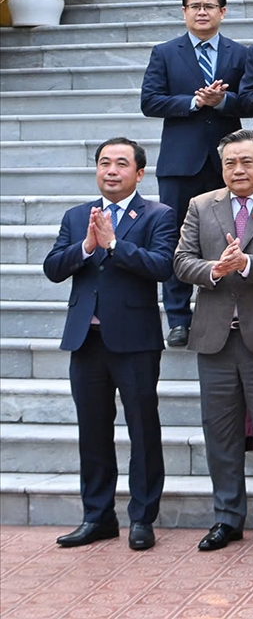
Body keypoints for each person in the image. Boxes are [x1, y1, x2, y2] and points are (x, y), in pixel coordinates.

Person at [173, 130, 253, 554]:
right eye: (230, 163)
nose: (238, 170)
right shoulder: (200, 205)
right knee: (221, 433)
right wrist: (214, 270)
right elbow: (181, 261)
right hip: (214, 339)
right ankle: (227, 517)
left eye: (246, 162)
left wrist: (247, 264)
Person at [45, 138, 176, 552]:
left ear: (140, 173)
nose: (111, 171)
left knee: (142, 428)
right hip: (87, 340)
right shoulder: (77, 215)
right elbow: (52, 268)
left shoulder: (159, 215)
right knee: (93, 431)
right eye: (104, 163)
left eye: (122, 164)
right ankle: (97, 516)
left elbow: (162, 267)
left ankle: (142, 517)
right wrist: (86, 247)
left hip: (134, 340)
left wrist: (115, 246)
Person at [140, 0, 248, 348]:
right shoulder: (165, 53)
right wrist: (193, 102)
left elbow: (250, 102)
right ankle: (178, 318)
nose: (202, 12)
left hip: (225, 162)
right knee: (176, 239)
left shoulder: (239, 54)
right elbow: (150, 102)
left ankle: (221, 310)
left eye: (209, 6)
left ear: (223, 12)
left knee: (225, 236)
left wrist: (221, 102)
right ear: (184, 12)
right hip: (179, 163)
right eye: (194, 6)